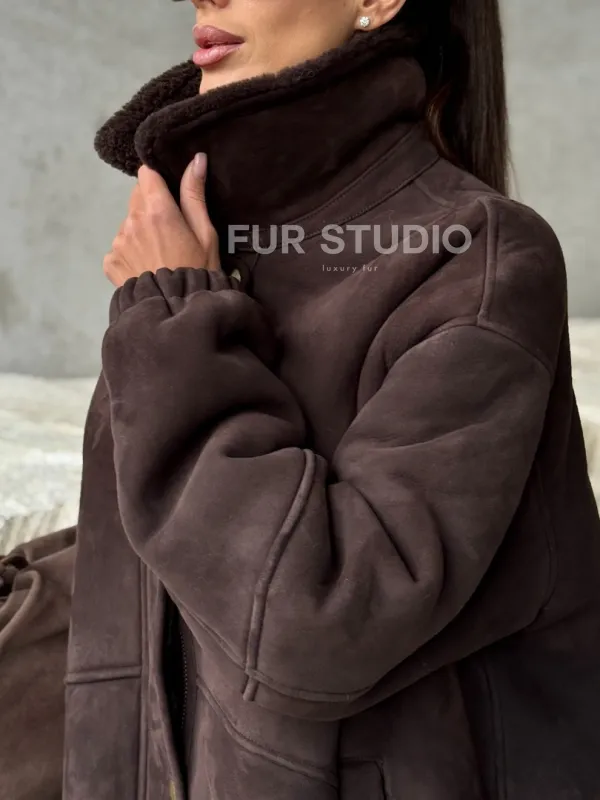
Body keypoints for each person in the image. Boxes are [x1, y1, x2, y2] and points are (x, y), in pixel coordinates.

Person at [9, 0, 600, 798]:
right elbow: (181, 546)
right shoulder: (220, 241)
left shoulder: (474, 255)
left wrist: (173, 315)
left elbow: (314, 621)